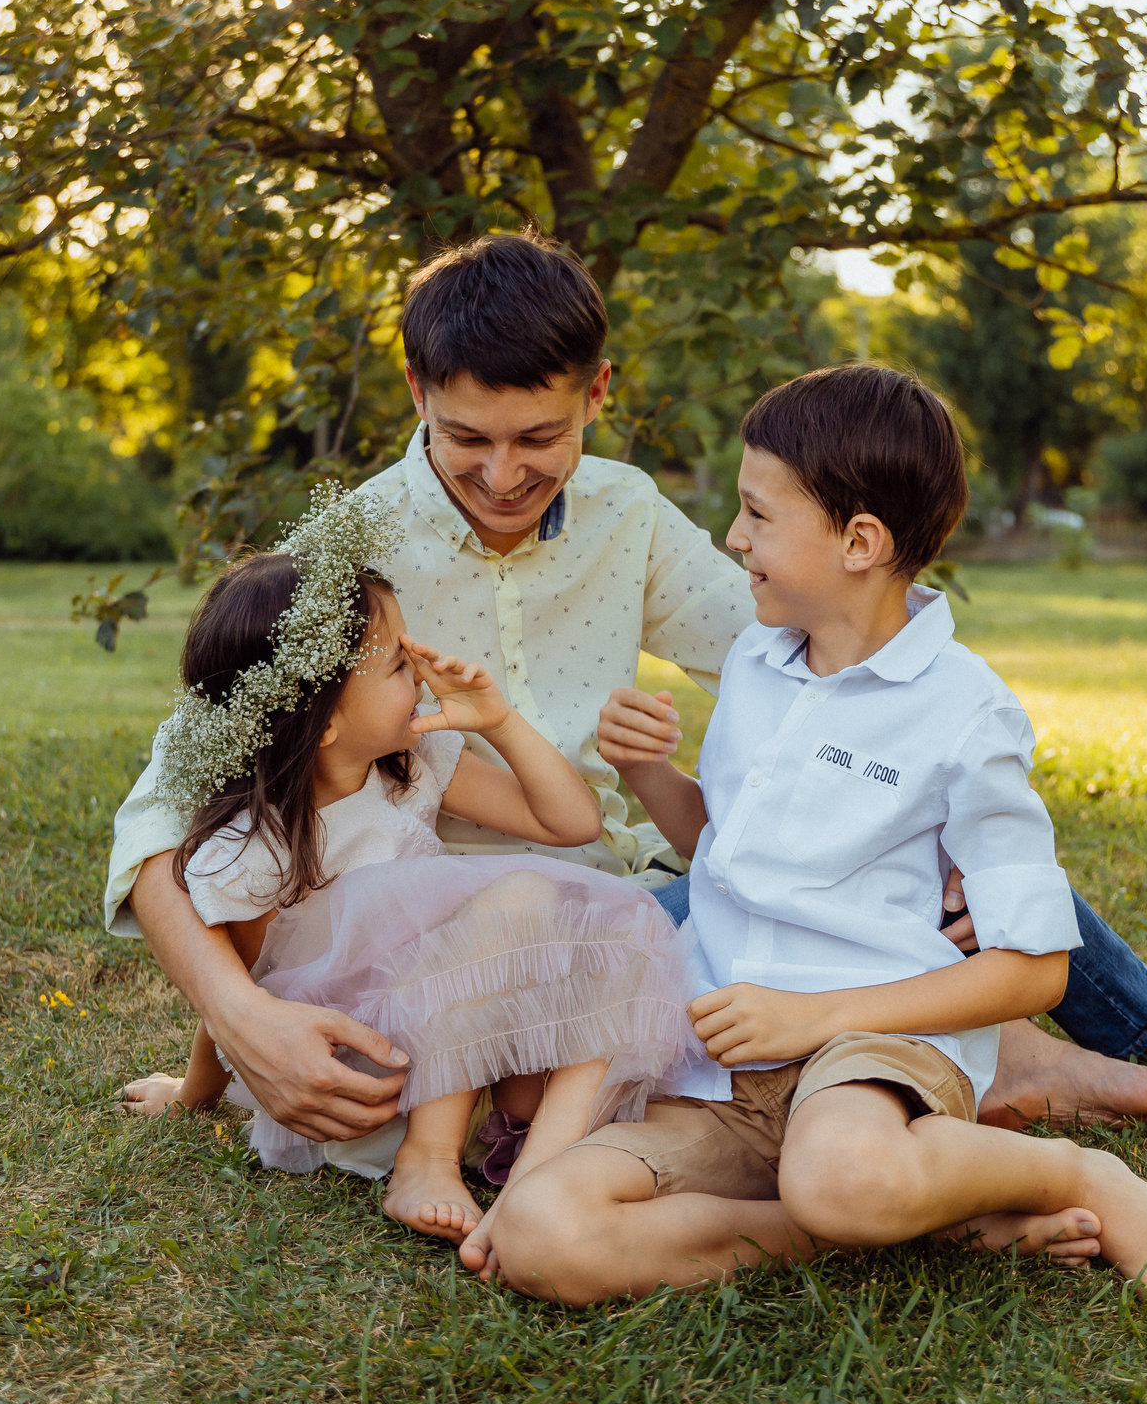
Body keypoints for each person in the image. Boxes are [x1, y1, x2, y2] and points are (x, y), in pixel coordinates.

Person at [105, 232, 1147, 1154]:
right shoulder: (348, 550)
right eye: (469, 436)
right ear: (417, 386)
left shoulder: (625, 511)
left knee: (916, 813)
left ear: (597, 391)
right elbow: (170, 802)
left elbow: (829, 644)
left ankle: (1145, 1012)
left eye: (541, 433)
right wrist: (238, 1014)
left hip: (632, 890)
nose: (504, 472)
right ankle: (1011, 1059)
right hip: (468, 927)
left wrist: (924, 802)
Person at [473, 364, 1147, 1314]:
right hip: (719, 1063)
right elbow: (731, 855)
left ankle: (1076, 1175)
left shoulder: (966, 711)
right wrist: (650, 773)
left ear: (860, 541)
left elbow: (1034, 971)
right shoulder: (758, 658)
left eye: (756, 515)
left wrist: (807, 1020)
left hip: (871, 1047)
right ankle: (923, 1220)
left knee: (841, 1171)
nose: (733, 539)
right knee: (545, 1233)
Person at [116, 489, 706, 1244]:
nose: (423, 672)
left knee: (612, 976)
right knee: (519, 896)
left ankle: (537, 1184)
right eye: (399, 663)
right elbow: (238, 998)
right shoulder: (254, 846)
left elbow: (571, 820)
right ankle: (427, 1162)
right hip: (372, 1084)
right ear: (326, 719)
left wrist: (497, 719)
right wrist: (193, 1094)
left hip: (464, 1061)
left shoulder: (413, 764)